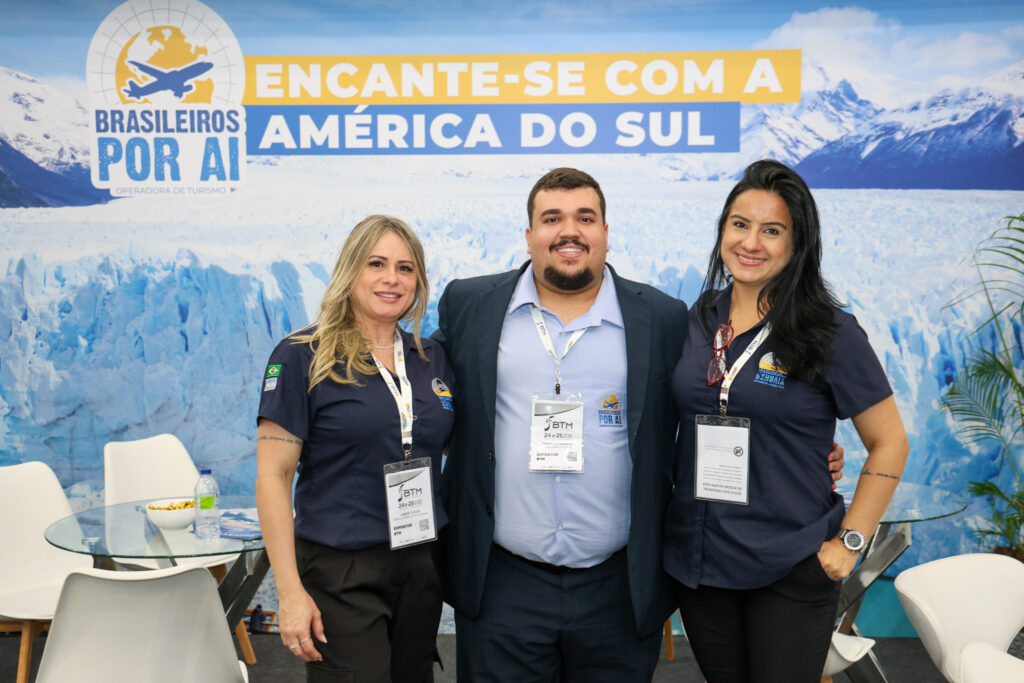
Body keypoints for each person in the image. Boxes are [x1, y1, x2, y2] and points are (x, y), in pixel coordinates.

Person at [435, 167, 845, 682]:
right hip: (502, 584)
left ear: (606, 232)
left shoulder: (663, 318)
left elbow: (713, 401)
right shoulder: (470, 304)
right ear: (529, 235)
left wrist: (809, 451)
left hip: (619, 587)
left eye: (586, 217)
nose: (570, 231)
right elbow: (430, 396)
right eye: (552, 218)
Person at [662, 160, 909, 682]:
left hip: (789, 563)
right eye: (740, 224)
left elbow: (889, 442)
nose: (751, 242)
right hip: (704, 562)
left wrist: (850, 543)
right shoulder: (701, 317)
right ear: (723, 231)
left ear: (797, 244)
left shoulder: (829, 330)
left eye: (772, 230)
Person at [255, 215, 455, 682]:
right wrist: (289, 592)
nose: (392, 278)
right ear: (351, 271)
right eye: (377, 264)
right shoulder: (302, 354)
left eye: (406, 268)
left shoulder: (431, 358)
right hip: (341, 568)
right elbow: (274, 476)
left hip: (420, 560)